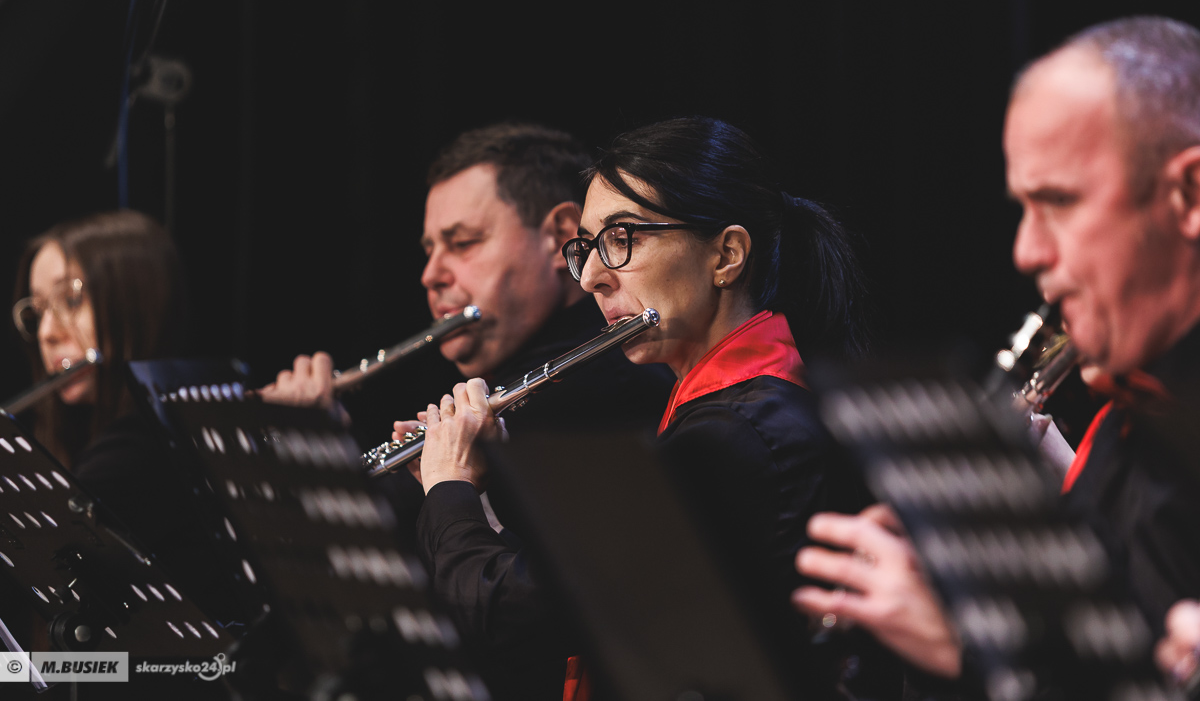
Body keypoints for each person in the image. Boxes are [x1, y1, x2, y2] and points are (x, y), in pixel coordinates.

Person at [414, 116, 902, 699]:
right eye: (587, 248)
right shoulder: (743, 408)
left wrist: (448, 487)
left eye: (623, 238)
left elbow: (501, 614)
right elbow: (581, 600)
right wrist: (477, 491)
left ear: (726, 255)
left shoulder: (735, 432)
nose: (592, 278)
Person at [792, 16, 1200, 690]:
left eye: (1059, 201)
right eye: (1024, 207)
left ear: (1189, 195)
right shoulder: (1129, 426)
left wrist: (971, 649)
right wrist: (973, 580)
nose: (1026, 251)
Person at [266, 122, 675, 699]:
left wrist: (307, 459)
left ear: (559, 237)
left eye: (462, 243)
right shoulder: (504, 378)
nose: (432, 274)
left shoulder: (603, 383)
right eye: (430, 249)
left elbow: (481, 612)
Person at [6, 209, 235, 697]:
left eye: (71, 299)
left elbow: (121, 672)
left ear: (139, 301)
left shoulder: (142, 449)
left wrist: (12, 674)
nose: (47, 332)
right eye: (38, 310)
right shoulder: (97, 440)